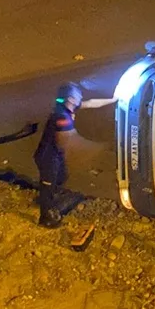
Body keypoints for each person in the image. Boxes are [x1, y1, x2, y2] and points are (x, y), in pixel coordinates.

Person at [33, 82, 117, 228]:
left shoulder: (68, 106)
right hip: (48, 157)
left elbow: (91, 103)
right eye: (78, 95)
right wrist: (103, 147)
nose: (81, 96)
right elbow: (70, 142)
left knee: (61, 177)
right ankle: (46, 216)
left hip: (56, 155)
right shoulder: (62, 117)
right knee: (48, 182)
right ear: (71, 99)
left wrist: (113, 100)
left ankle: (47, 198)